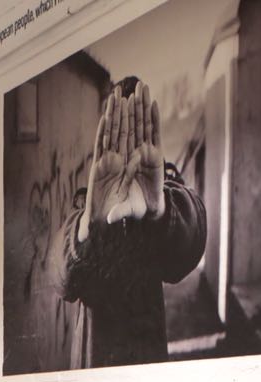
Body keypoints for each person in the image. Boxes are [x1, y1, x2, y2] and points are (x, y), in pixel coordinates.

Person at [59, 78, 207, 367]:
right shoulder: (90, 200)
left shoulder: (163, 188)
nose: (126, 150)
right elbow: (61, 277)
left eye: (134, 135)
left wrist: (160, 209)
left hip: (144, 361)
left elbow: (192, 238)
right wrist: (88, 225)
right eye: (118, 135)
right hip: (93, 366)